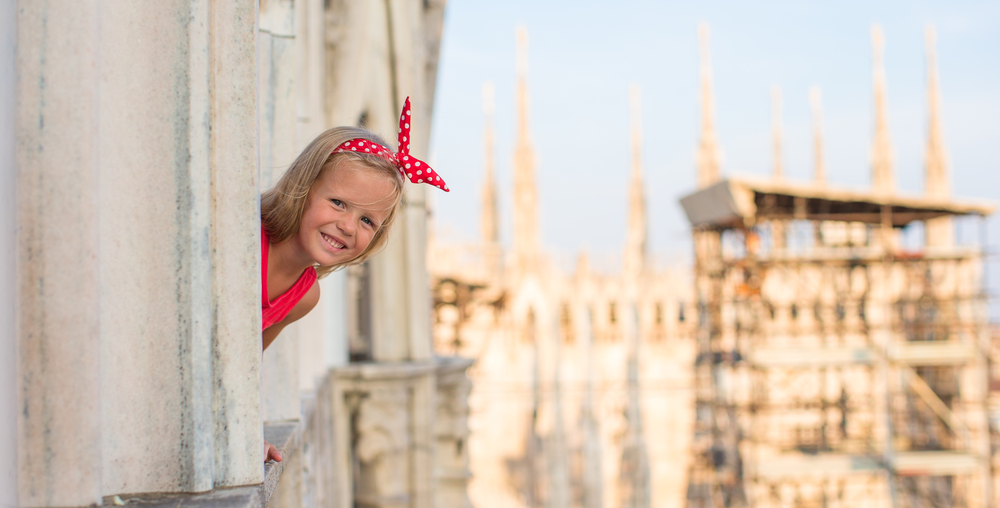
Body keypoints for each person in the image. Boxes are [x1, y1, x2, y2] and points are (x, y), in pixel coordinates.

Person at [258, 97, 448, 462]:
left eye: (367, 222)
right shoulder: (248, 243)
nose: (348, 226)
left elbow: (246, 362)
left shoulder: (304, 297)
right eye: (339, 203)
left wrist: (247, 432)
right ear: (304, 185)